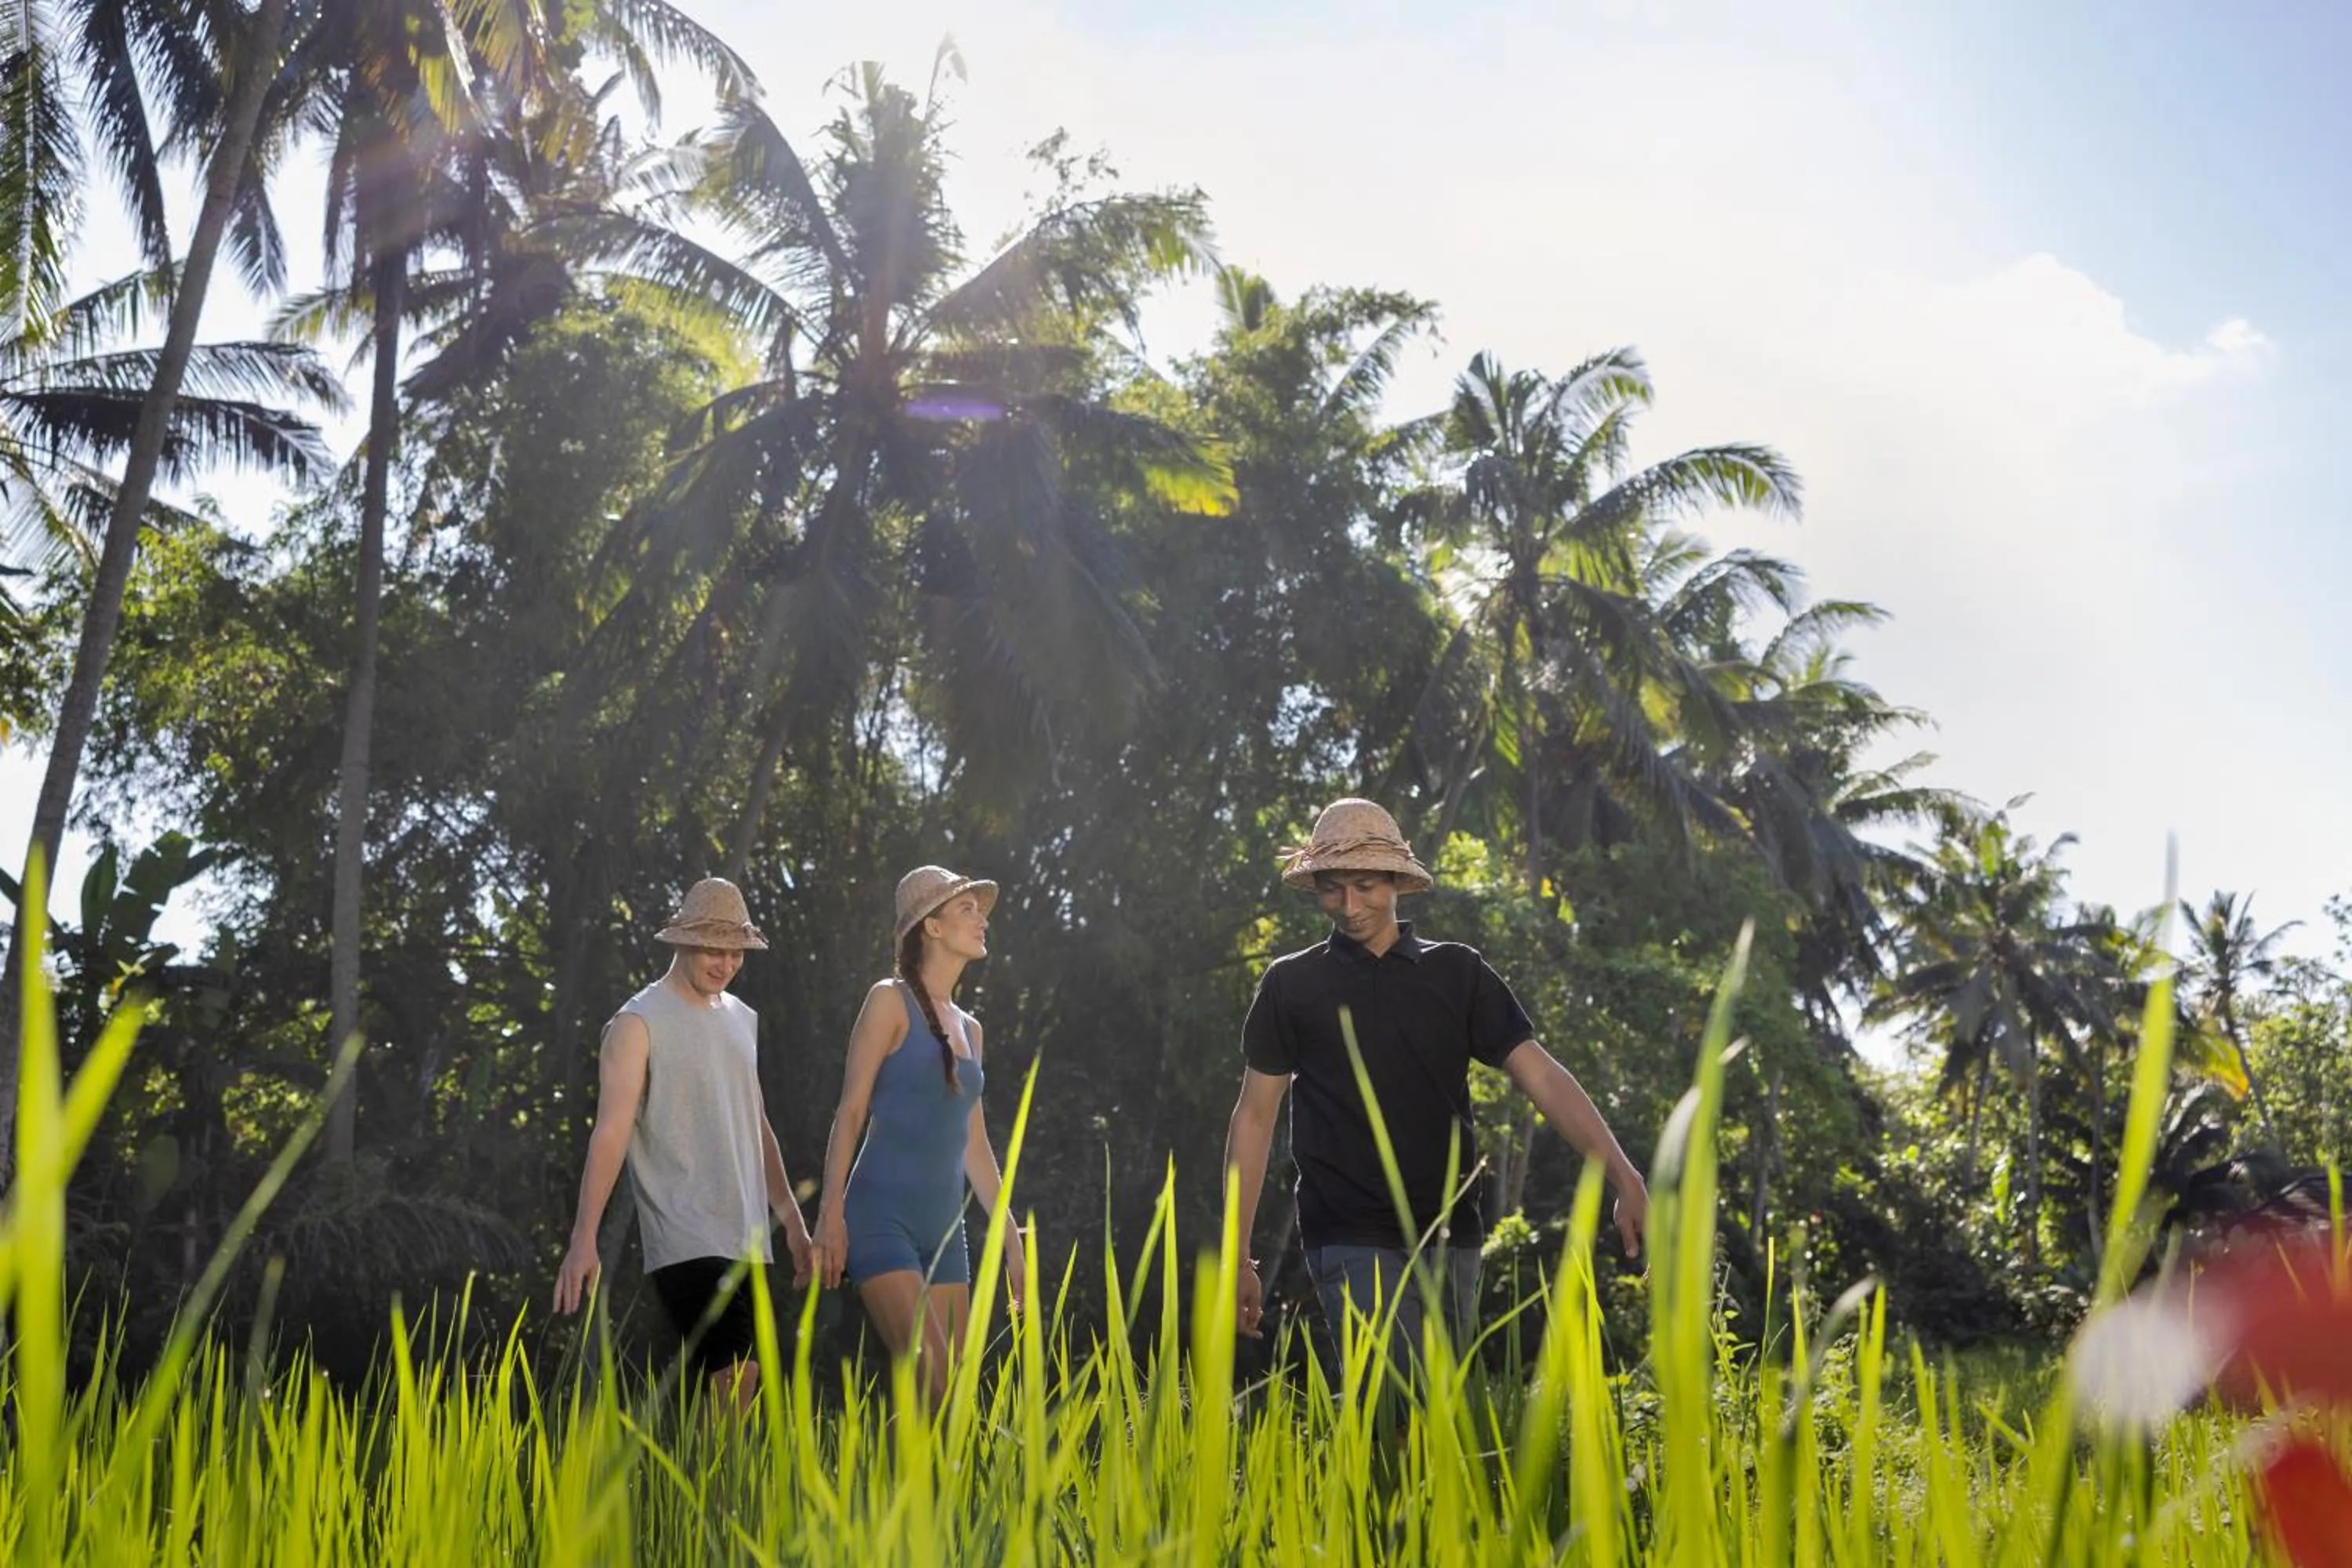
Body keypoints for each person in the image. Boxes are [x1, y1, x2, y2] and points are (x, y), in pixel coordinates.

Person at [1222, 798, 1650, 1367]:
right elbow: (1254, 1116)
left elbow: (1541, 1075)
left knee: (1435, 1420)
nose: (1349, 906)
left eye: (1366, 885)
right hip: (1348, 1230)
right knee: (1393, 1404)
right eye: (1333, 889)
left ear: (1397, 880)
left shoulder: (1458, 973)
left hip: (1451, 1233)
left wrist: (1621, 1173)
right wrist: (1238, 1253)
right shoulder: (1292, 985)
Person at [553, 877, 814, 1410]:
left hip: (745, 1232)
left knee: (734, 1388)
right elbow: (611, 1131)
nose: (725, 963)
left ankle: (707, 1491)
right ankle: (718, 1490)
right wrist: (585, 1237)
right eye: (713, 949)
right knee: (738, 1372)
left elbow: (756, 1123)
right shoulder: (637, 1023)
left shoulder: (742, 1020)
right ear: (682, 942)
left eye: (735, 951)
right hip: (684, 1227)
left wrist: (792, 1221)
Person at [811, 866, 1026, 1404]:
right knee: (940, 1388)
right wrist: (829, 1216)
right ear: (931, 927)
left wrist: (1013, 1241)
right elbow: (852, 1109)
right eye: (967, 910)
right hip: (880, 1218)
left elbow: (973, 1145)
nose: (982, 920)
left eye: (980, 910)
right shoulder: (889, 1000)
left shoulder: (971, 1029)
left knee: (945, 1412)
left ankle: (881, 1489)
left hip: (946, 1231)